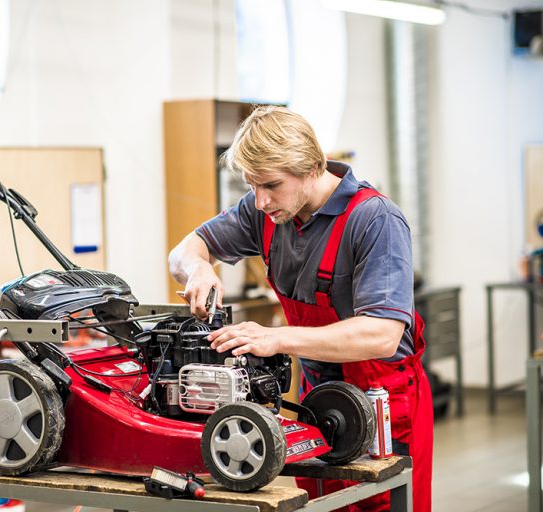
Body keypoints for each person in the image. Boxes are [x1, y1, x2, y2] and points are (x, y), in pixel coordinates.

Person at [168, 106, 432, 512]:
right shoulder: (266, 214)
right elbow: (182, 252)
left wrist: (274, 337)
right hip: (312, 402)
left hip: (384, 404)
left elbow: (383, 334)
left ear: (311, 167)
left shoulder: (375, 220)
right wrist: (198, 269)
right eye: (252, 186)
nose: (259, 201)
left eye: (271, 185)